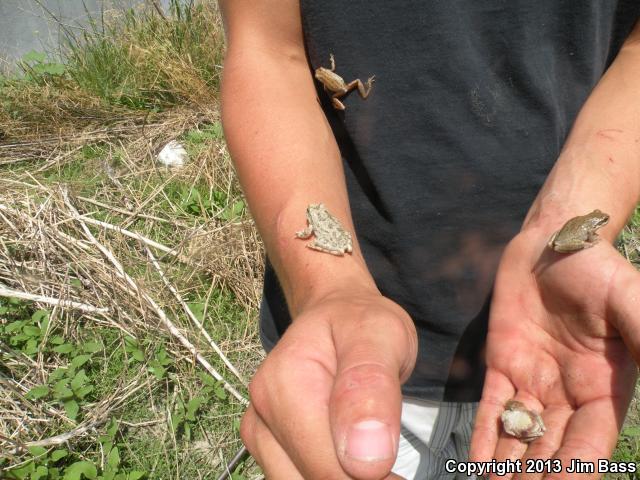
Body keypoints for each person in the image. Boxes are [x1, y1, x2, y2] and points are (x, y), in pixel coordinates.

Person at [219, 0, 640, 478]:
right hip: (355, 338)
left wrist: (566, 213)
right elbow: (267, 50)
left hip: (551, 341)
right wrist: (327, 287)